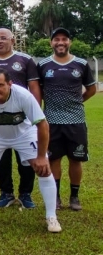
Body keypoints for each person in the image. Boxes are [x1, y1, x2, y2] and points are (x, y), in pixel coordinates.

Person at [0, 69, 61, 233]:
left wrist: (42, 156)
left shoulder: (23, 96)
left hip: (24, 134)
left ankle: (51, 216)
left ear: (10, 84)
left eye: (0, 85)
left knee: (43, 169)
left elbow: (42, 125)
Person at [0, 28, 41, 209]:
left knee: (26, 157)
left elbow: (33, 86)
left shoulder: (25, 60)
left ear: (12, 40)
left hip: (23, 117)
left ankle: (25, 193)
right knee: (0, 155)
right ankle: (6, 192)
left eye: (4, 38)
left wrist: (36, 111)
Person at [37, 27, 97, 211]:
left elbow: (92, 89)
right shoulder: (43, 65)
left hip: (75, 120)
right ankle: (55, 198)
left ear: (69, 42)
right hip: (51, 122)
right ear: (51, 43)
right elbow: (38, 91)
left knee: (75, 159)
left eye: (64, 39)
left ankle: (74, 196)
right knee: (53, 160)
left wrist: (77, 102)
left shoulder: (81, 64)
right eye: (57, 39)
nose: (60, 42)